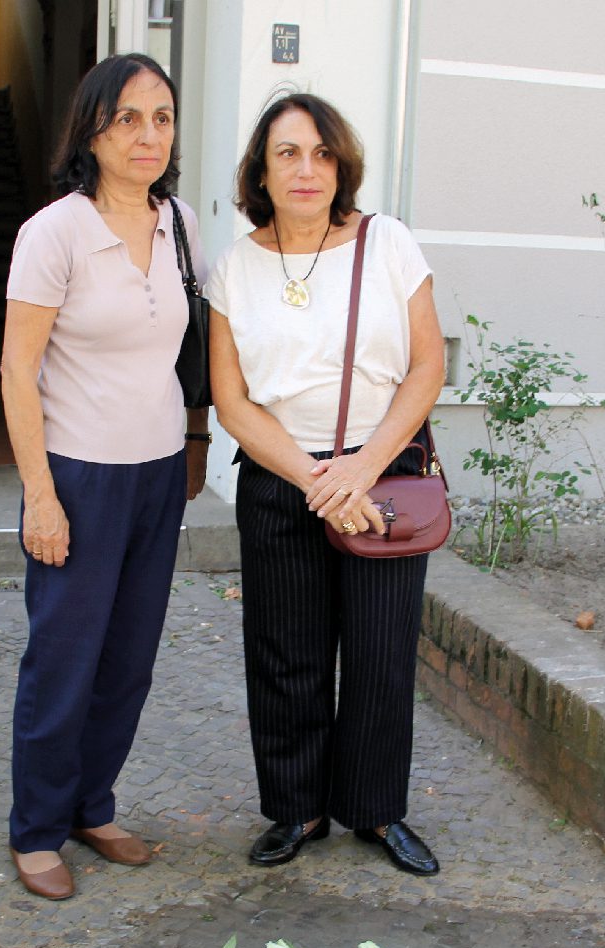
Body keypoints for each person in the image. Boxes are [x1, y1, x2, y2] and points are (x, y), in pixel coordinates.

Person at [207, 94, 446, 876]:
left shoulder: (390, 245)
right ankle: (297, 809)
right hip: (283, 480)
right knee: (285, 653)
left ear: (340, 164)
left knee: (380, 653)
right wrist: (317, 478)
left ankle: (376, 813)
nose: (305, 169)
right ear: (261, 171)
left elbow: (427, 364)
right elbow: (233, 401)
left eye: (320, 153)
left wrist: (361, 467)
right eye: (287, 154)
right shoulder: (235, 268)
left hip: (381, 481)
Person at [1, 53, 209, 900]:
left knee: (128, 659)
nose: (148, 135)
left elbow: (192, 348)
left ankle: (94, 805)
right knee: (64, 658)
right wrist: (41, 496)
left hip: (157, 474)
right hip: (77, 475)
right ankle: (37, 830)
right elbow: (18, 371)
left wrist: (193, 443)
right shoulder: (54, 232)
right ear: (92, 127)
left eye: (161, 117)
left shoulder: (182, 223)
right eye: (129, 118)